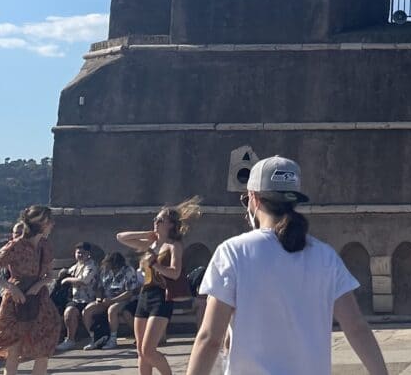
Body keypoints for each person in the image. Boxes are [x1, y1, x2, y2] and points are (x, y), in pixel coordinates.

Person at [185, 155, 387, 375]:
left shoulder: (233, 252)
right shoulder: (325, 256)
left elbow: (210, 338)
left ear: (254, 198)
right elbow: (356, 327)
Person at [118, 197, 202, 375]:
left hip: (161, 297)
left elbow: (175, 273)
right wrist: (145, 234)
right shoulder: (151, 243)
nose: (156, 222)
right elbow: (120, 237)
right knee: (141, 351)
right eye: (155, 219)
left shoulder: (174, 246)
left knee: (149, 350)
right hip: (144, 295)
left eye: (160, 220)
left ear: (171, 225)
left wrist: (154, 264)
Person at [0, 205, 61, 375]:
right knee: (14, 349)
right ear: (41, 223)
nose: (52, 225)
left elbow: (50, 275)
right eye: (49, 221)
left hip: (39, 299)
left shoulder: (45, 245)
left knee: (45, 344)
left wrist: (38, 285)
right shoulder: (16, 246)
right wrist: (11, 287)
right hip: (16, 300)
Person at [82, 251, 141, 350]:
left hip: (123, 299)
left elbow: (130, 292)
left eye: (108, 263)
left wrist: (113, 300)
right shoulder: (105, 271)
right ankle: (95, 338)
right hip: (107, 299)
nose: (106, 265)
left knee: (112, 310)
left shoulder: (128, 271)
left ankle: (113, 339)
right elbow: (100, 288)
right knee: (87, 310)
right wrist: (99, 298)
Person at [56, 241, 100, 352]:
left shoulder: (91, 265)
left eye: (83, 253)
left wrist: (67, 280)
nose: (80, 255)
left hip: (91, 299)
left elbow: (84, 281)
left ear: (88, 254)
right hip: (76, 299)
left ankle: (94, 339)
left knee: (87, 312)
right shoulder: (75, 267)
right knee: (69, 312)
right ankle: (70, 340)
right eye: (78, 252)